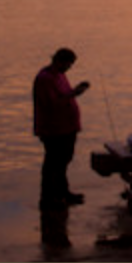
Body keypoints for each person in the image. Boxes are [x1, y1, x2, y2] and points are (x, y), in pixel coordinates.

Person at [33, 47, 90, 211]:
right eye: (68, 64)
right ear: (59, 61)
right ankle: (50, 198)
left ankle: (63, 193)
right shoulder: (45, 78)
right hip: (53, 129)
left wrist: (75, 91)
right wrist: (74, 94)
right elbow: (51, 104)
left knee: (63, 162)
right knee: (53, 164)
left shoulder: (59, 75)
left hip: (67, 127)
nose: (69, 68)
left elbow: (64, 95)